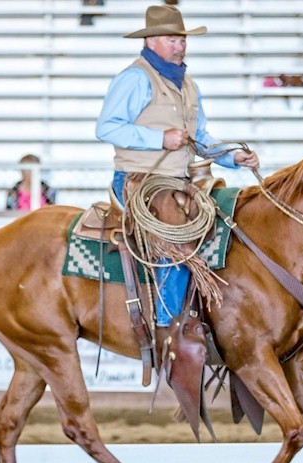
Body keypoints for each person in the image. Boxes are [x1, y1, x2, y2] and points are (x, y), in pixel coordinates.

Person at [95, 4, 259, 329]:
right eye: (172, 40)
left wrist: (232, 157)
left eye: (182, 39)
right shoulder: (135, 78)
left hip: (178, 183)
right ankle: (169, 329)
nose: (180, 46)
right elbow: (107, 127)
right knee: (175, 249)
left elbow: (199, 138)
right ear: (152, 40)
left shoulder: (188, 85)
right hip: (139, 180)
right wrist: (160, 138)